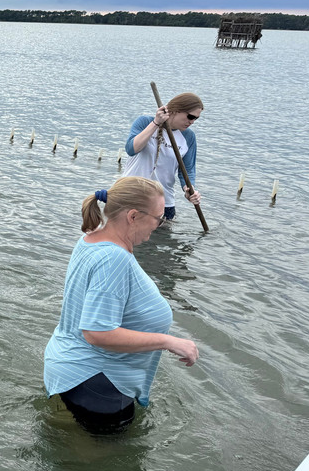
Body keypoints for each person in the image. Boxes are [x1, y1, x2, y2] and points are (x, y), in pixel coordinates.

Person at [43, 177, 199, 432]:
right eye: (159, 218)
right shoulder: (113, 258)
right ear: (133, 216)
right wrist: (168, 341)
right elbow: (97, 332)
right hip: (96, 383)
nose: (160, 225)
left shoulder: (91, 240)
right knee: (102, 470)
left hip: (72, 370)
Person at [122, 92, 203, 222]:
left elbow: (187, 170)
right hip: (131, 196)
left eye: (196, 119)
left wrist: (188, 189)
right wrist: (156, 123)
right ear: (176, 110)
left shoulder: (189, 137)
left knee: (162, 242)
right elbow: (132, 149)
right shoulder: (145, 122)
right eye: (190, 116)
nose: (192, 122)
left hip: (164, 203)